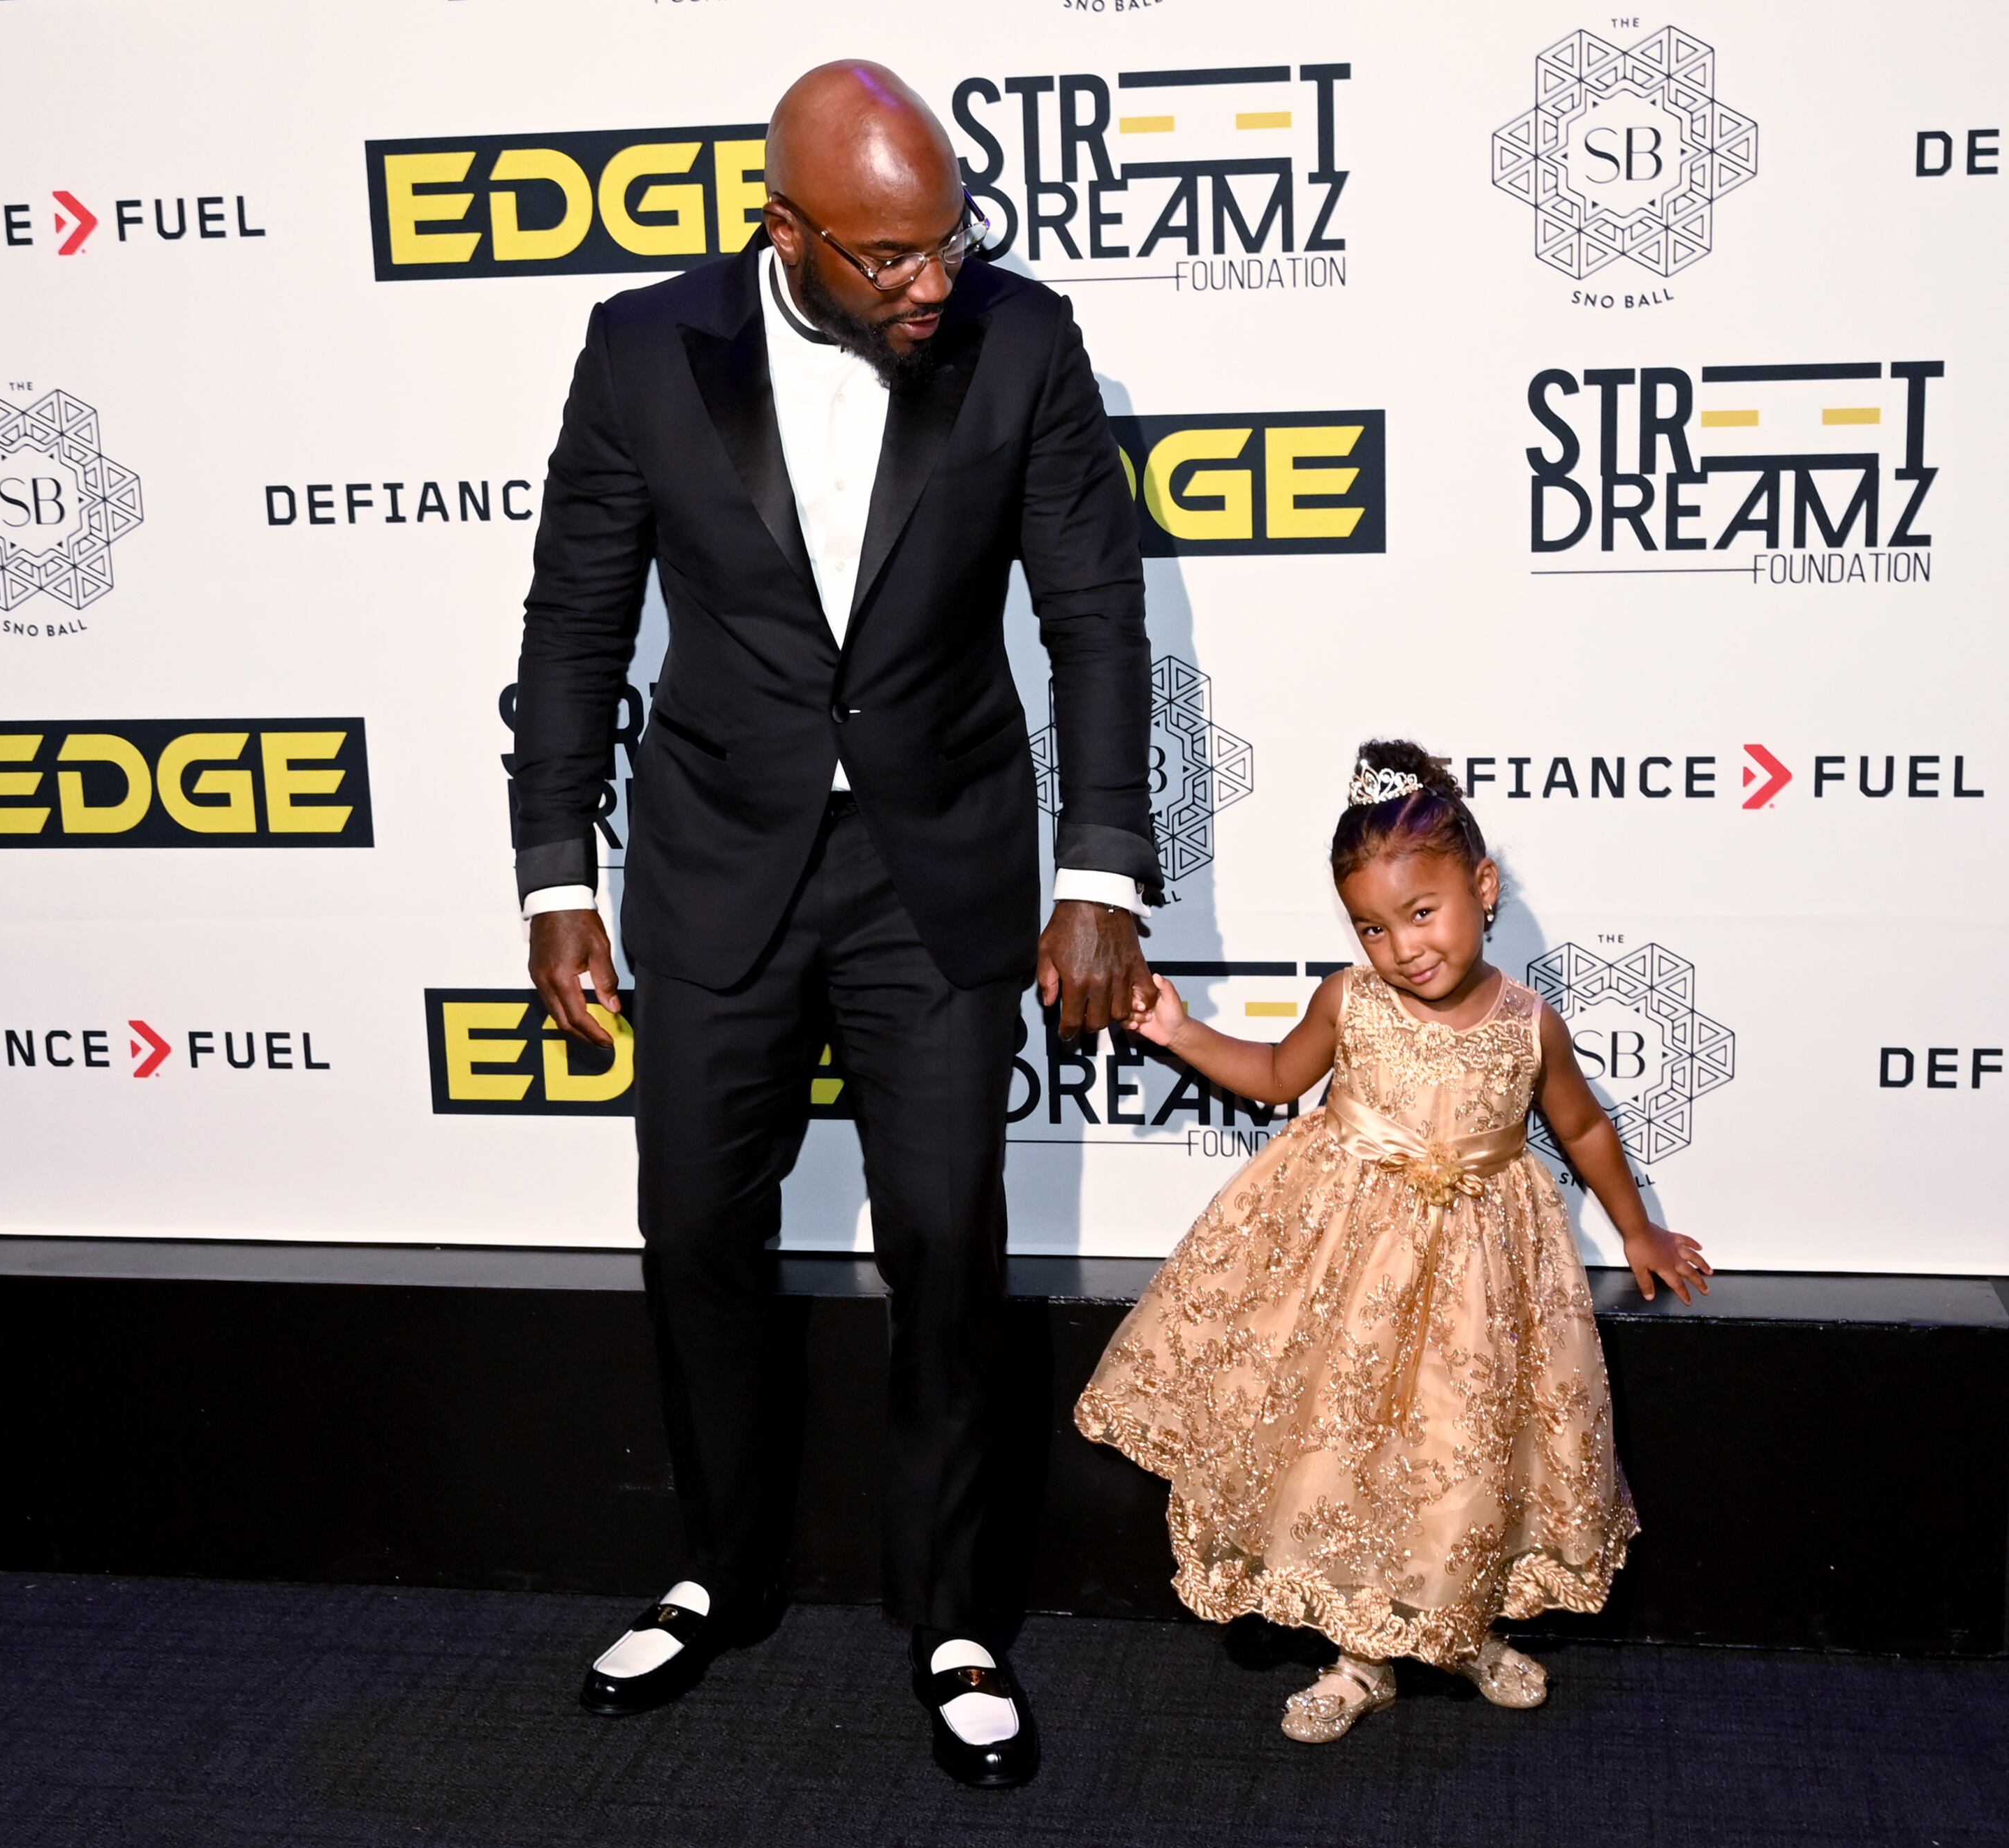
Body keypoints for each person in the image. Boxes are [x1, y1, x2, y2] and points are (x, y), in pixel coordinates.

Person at [509, 60, 1160, 1789]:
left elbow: (1095, 608)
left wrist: (1097, 867)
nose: (933, 281)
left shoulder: (1023, 340)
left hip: (935, 868)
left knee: (947, 1239)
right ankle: (718, 1570)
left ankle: (953, 1613)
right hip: (718, 861)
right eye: (889, 259)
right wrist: (555, 873)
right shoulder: (647, 350)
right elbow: (578, 617)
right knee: (695, 1233)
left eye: (949, 241)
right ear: (782, 231)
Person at [1075, 741, 1712, 1743]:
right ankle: (1359, 1655)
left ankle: (1463, 1628)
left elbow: (1582, 1127)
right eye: (1374, 926)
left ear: (1483, 887)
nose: (1404, 947)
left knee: (1471, 1452)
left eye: (1423, 914)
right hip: (1355, 1281)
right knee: (1353, 1457)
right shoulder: (1351, 1001)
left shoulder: (1529, 1022)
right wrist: (1177, 1032)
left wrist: (1639, 1227)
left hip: (1484, 1287)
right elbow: (1282, 1076)